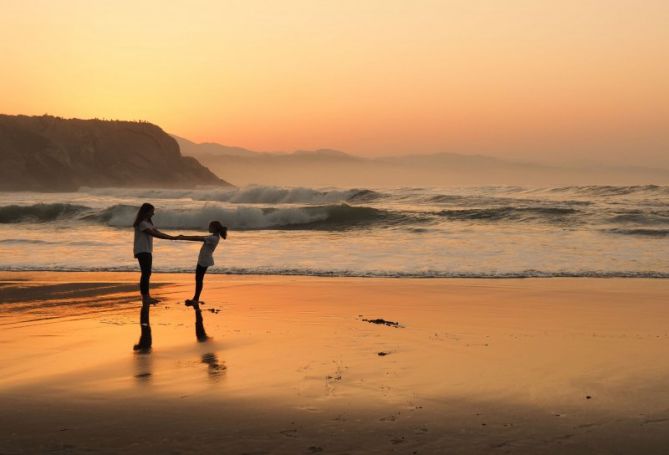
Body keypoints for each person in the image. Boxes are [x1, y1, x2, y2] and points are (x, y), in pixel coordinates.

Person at [175, 221, 227, 307]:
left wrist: (183, 237)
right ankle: (195, 298)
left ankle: (196, 299)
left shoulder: (213, 238)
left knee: (199, 279)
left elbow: (197, 238)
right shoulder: (214, 237)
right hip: (204, 259)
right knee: (198, 279)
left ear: (214, 228)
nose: (208, 228)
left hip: (204, 260)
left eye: (210, 227)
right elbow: (199, 237)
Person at [133, 203, 175, 305]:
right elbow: (154, 234)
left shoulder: (149, 223)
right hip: (142, 250)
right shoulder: (142, 223)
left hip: (147, 250)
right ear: (146, 212)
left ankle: (146, 297)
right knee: (146, 274)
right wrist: (170, 238)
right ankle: (145, 297)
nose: (153, 213)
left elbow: (158, 232)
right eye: (152, 211)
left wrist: (172, 237)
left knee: (147, 273)